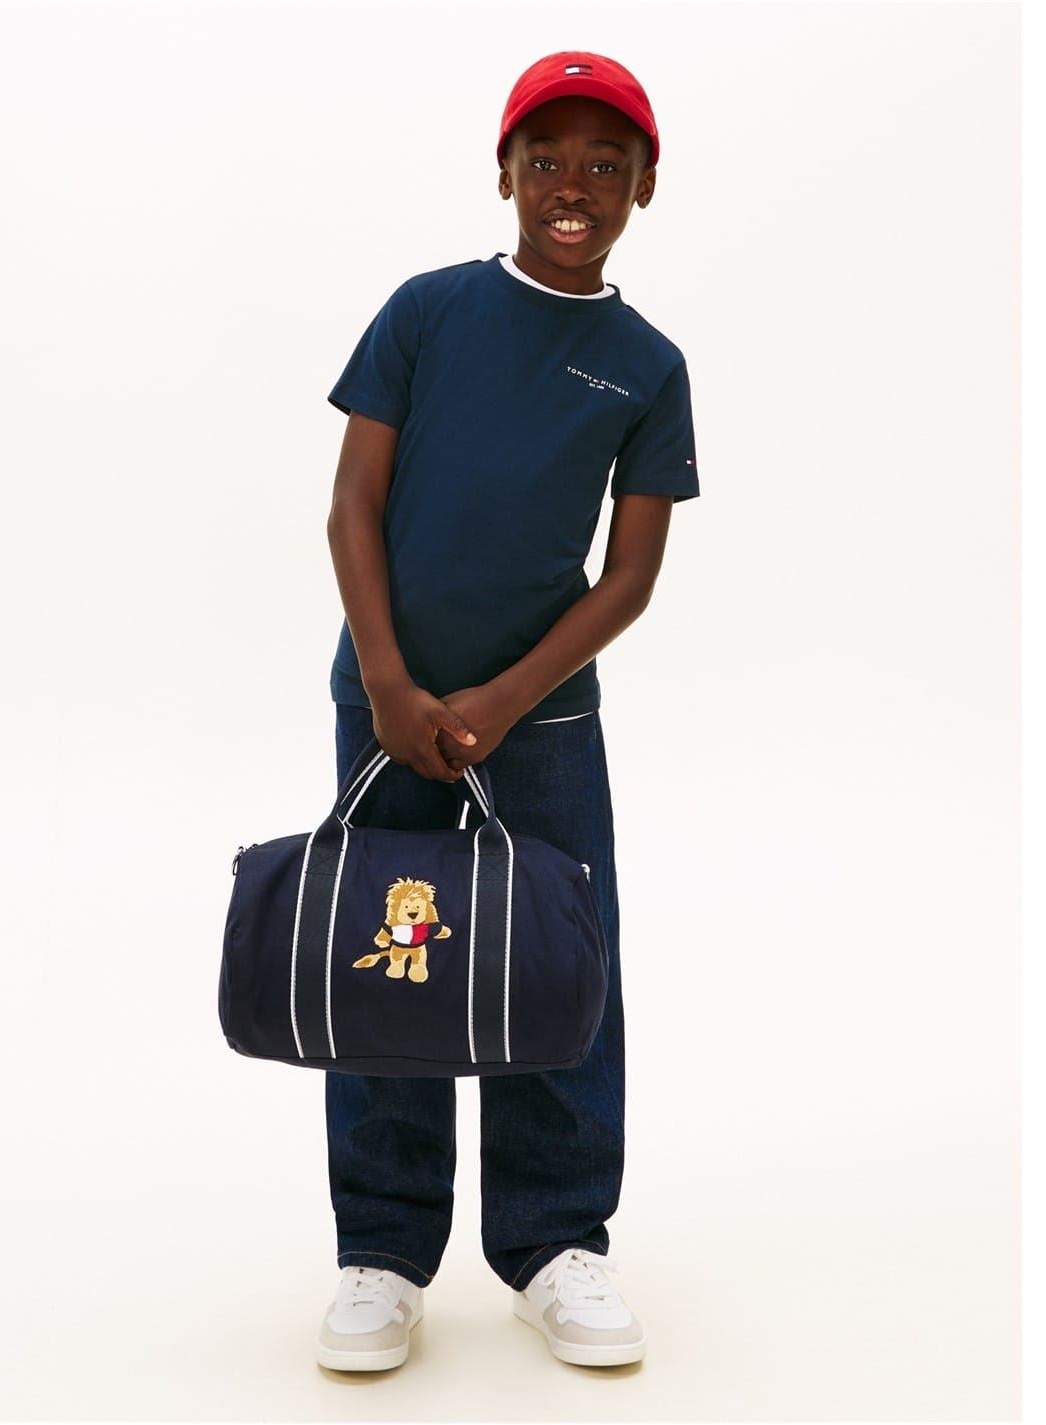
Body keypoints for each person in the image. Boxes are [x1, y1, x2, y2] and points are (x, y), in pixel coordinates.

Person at [315, 50, 699, 1372]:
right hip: (385, 706)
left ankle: (554, 1242)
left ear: (644, 185)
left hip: (542, 730)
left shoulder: (646, 366)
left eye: (604, 163)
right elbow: (351, 504)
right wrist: (388, 682)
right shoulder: (426, 313)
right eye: (546, 161)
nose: (571, 184)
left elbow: (629, 574)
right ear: (505, 175)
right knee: (393, 961)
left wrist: (503, 696)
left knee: (555, 966)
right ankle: (381, 1250)